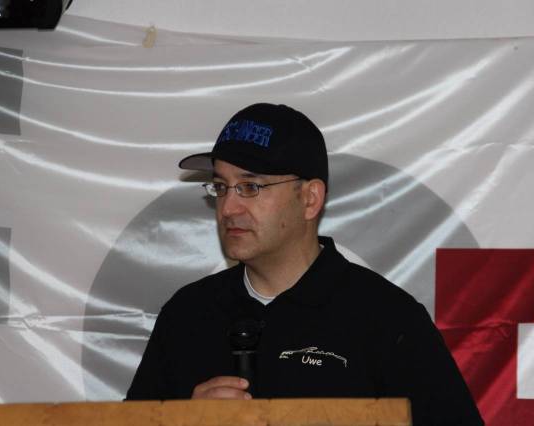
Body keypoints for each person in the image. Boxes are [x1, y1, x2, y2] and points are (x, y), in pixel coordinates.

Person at [126, 103, 484, 425]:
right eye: (221, 187)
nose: (229, 208)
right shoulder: (186, 314)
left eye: (250, 187)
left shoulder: (387, 319)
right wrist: (181, 421)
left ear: (310, 199)